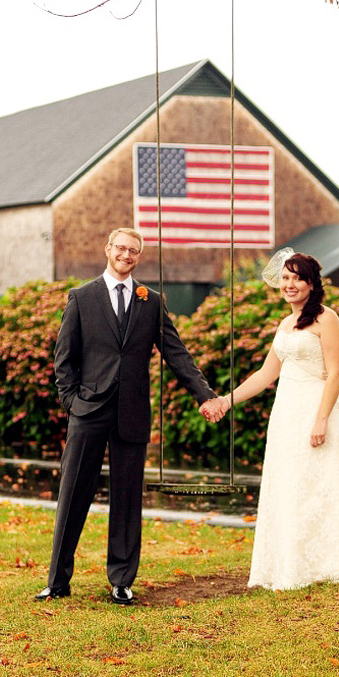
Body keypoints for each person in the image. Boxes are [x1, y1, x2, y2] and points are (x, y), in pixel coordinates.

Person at [35, 227, 224, 606]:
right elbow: (63, 358)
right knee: (72, 494)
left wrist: (205, 395)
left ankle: (121, 580)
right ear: (107, 249)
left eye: (133, 251)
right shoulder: (81, 297)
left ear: (139, 256)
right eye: (120, 248)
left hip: (132, 414)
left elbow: (177, 353)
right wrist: (71, 401)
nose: (126, 255)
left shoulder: (151, 301)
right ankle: (58, 580)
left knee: (126, 499)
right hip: (87, 411)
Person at [209, 249, 339, 590]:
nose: (289, 284)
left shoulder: (326, 318)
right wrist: (225, 401)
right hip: (286, 413)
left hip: (316, 409)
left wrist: (321, 420)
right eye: (285, 278)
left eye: (297, 278)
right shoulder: (286, 324)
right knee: (291, 485)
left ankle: (331, 559)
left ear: (311, 283)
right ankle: (294, 562)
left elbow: (336, 373)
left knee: (321, 485)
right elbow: (265, 375)